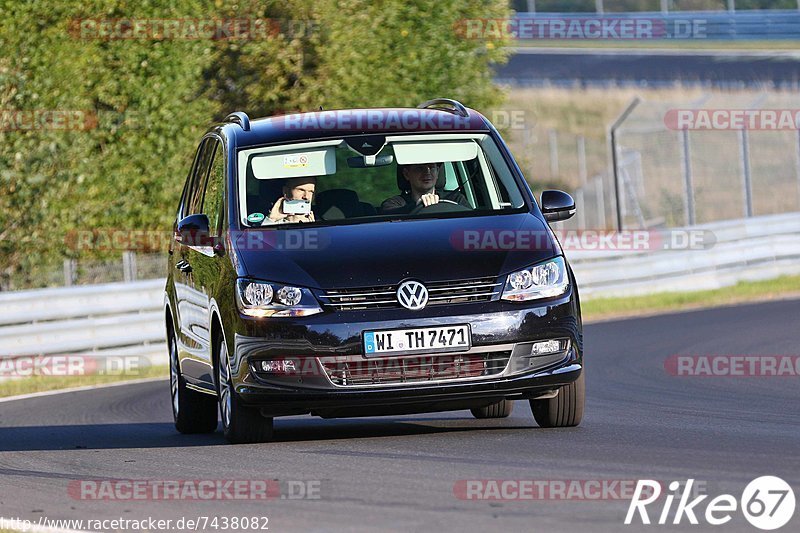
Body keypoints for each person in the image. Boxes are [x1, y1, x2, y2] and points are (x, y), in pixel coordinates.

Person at [381, 163, 470, 214]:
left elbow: (471, 221)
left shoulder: (456, 199)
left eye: (432, 168)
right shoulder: (393, 204)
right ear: (406, 174)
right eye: (420, 168)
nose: (427, 172)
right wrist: (418, 206)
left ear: (438, 172)